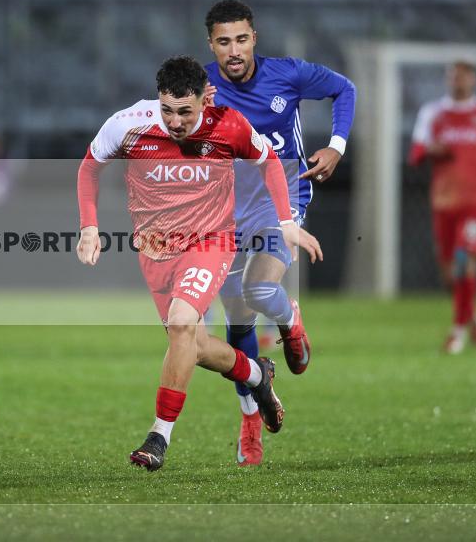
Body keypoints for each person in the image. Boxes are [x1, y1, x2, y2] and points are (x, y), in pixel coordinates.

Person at [76, 56, 321, 471]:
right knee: (195, 347)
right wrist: (89, 227)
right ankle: (258, 376)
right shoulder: (128, 123)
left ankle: (159, 436)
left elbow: (269, 163)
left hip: (211, 240)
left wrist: (285, 222)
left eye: (185, 112)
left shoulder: (229, 125)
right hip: (155, 251)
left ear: (203, 102)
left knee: (182, 325)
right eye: (167, 109)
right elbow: (90, 168)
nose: (175, 121)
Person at [202, 0, 356, 465]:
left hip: (281, 201)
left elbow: (345, 89)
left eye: (242, 39)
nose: (234, 50)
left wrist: (335, 146)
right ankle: (251, 421)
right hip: (225, 211)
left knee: (259, 286)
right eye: (224, 41)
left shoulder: (287, 73)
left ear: (255, 38)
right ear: (211, 43)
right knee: (237, 319)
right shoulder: (201, 85)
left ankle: (289, 318)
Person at [409, 59, 476, 354]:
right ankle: (473, 317)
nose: (458, 82)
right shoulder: (433, 113)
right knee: (449, 275)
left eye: (463, 77)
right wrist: (432, 150)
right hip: (444, 201)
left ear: (474, 80)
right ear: (448, 80)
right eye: (453, 77)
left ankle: (457, 333)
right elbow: (416, 152)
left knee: (463, 261)